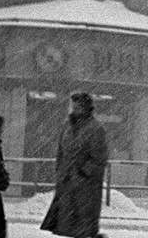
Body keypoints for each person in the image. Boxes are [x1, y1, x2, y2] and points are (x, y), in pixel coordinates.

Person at [41, 92, 109, 238]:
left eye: (78, 106)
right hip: (67, 183)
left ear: (87, 108)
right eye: (74, 106)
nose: (75, 109)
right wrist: (60, 172)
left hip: (85, 186)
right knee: (68, 226)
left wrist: (83, 172)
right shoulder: (67, 126)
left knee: (83, 226)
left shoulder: (96, 128)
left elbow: (100, 159)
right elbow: (61, 152)